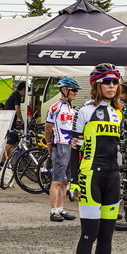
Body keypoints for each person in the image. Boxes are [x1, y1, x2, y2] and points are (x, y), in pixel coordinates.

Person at [73, 64, 124, 254]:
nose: (112, 86)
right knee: (89, 233)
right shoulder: (84, 111)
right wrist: (74, 181)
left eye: (115, 82)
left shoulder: (118, 112)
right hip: (90, 175)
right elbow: (74, 149)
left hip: (112, 176)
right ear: (96, 85)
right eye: (107, 82)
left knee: (107, 234)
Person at [44, 77, 79, 221]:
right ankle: (53, 211)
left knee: (66, 180)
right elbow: (48, 127)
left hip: (71, 145)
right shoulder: (55, 107)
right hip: (60, 145)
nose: (76, 93)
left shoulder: (72, 108)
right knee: (57, 180)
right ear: (64, 90)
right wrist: (49, 144)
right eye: (74, 90)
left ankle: (61, 209)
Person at [0, 81, 27, 181]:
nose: (25, 94)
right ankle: (0, 163)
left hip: (8, 120)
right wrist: (23, 120)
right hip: (10, 121)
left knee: (14, 145)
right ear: (22, 89)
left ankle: (15, 165)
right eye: (25, 91)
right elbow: (17, 108)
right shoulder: (17, 95)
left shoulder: (13, 94)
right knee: (10, 144)